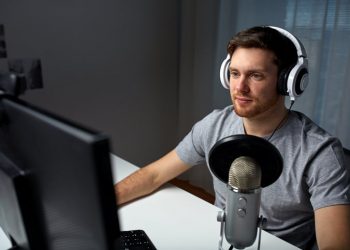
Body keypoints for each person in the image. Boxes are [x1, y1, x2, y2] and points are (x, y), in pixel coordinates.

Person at [115, 26, 350, 250]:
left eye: (256, 76)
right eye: (235, 73)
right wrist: (101, 203)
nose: (240, 87)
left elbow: (335, 246)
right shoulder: (215, 125)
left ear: (287, 82)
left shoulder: (320, 152)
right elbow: (154, 174)